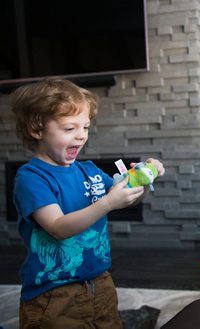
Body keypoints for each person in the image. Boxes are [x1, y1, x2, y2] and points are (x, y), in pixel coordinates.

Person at [10, 79, 165, 328]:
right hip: (54, 293)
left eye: (85, 127)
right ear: (36, 129)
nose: (81, 136)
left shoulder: (89, 171)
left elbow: (124, 198)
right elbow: (58, 226)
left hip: (99, 281)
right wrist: (107, 203)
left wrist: (143, 180)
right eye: (70, 128)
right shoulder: (31, 178)